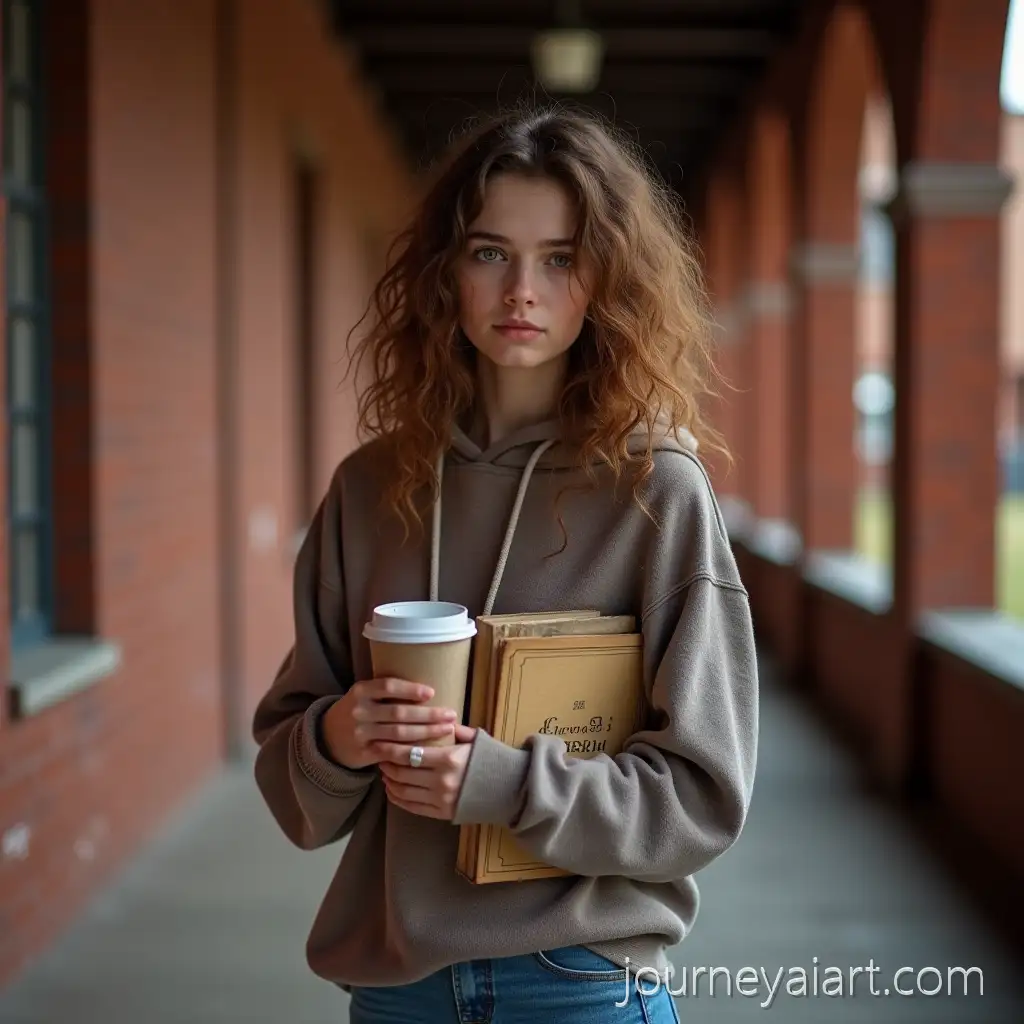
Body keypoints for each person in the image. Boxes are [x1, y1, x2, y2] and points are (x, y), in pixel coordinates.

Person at [252, 105, 759, 1024]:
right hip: (397, 984)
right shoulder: (369, 490)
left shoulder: (658, 492)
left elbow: (702, 801)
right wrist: (338, 737)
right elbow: (297, 800)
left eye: (560, 258)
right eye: (490, 252)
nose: (521, 289)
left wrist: (499, 784)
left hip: (580, 978)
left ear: (606, 278)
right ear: (447, 272)